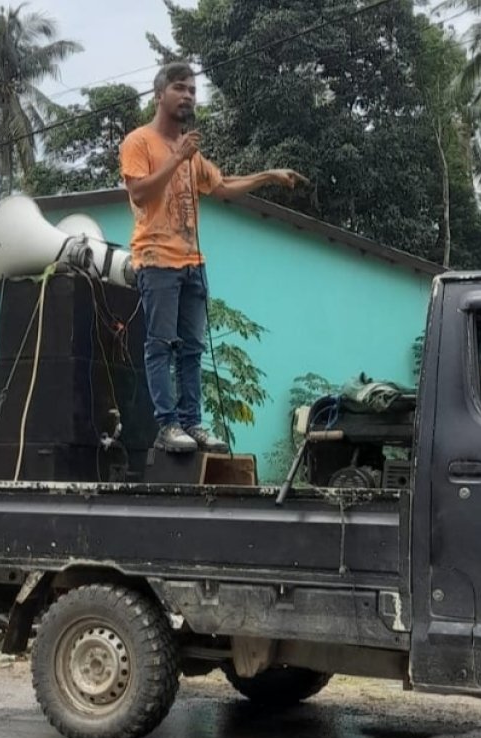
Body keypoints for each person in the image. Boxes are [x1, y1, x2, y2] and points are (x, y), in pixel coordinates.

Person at [119, 62, 308, 454]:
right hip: (156, 260)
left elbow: (221, 186)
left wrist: (268, 176)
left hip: (192, 262)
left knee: (192, 348)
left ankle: (192, 423)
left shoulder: (191, 152)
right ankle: (167, 425)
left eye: (192, 89)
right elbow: (139, 193)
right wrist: (176, 158)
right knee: (160, 345)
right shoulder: (139, 142)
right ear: (159, 96)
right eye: (179, 88)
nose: (188, 95)